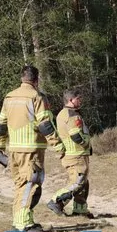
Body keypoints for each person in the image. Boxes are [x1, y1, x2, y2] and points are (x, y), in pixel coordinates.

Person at [0, 65, 65, 232]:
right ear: (36, 80)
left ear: (21, 78)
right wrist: (59, 146)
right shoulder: (37, 97)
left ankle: (20, 220)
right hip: (32, 149)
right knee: (30, 185)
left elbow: (0, 125)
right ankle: (24, 223)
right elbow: (45, 125)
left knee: (20, 185)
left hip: (14, 149)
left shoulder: (9, 97)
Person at [47, 89, 93, 218]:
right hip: (76, 154)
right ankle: (56, 201)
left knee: (83, 182)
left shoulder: (62, 113)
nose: (80, 101)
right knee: (78, 182)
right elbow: (76, 135)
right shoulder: (72, 115)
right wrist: (86, 143)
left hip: (74, 154)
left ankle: (80, 210)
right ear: (71, 100)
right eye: (78, 98)